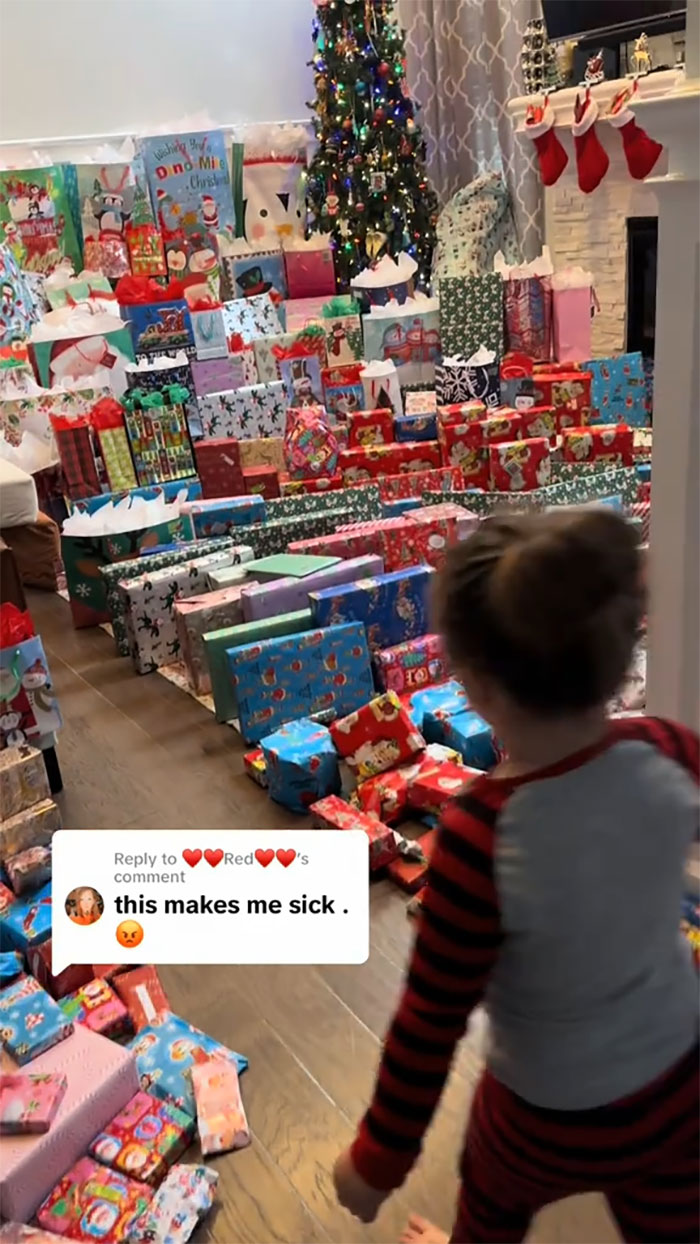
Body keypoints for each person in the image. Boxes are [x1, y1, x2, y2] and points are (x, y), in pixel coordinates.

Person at [333, 510, 699, 1243]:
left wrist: (375, 1163)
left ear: (472, 686)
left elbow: (429, 1023)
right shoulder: (665, 747)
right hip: (678, 1087)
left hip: (545, 1118)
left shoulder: (479, 836)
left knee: (491, 1198)